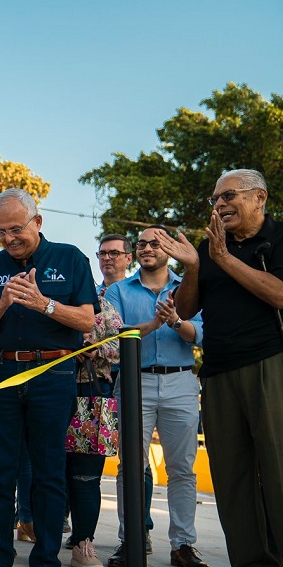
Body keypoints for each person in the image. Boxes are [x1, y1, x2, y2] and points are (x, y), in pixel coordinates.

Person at [161, 168, 283, 567]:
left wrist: (224, 260)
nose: (219, 205)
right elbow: (185, 310)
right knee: (232, 476)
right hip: (220, 370)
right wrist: (195, 266)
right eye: (215, 198)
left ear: (259, 197)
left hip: (274, 362)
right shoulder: (209, 250)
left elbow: (282, 295)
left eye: (229, 196)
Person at [0, 188, 97, 567]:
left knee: (48, 475)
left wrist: (44, 305)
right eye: (2, 231)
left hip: (53, 373)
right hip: (4, 372)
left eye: (17, 229)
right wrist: (5, 300)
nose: (9, 238)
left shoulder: (70, 258)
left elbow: (86, 319)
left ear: (37, 222)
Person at [104, 226, 207, 567]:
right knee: (131, 467)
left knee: (181, 468)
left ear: (168, 248)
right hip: (135, 381)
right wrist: (151, 323)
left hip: (180, 381)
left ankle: (183, 544)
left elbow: (202, 335)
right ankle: (131, 538)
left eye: (155, 243)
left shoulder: (188, 286)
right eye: (142, 244)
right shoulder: (118, 290)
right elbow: (113, 334)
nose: (148, 248)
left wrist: (176, 321)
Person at [96, 233, 155, 544]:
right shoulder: (89, 294)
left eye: (115, 253)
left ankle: (138, 529)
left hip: (132, 383)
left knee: (135, 457)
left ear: (128, 258)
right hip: (96, 384)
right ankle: (80, 532)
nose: (108, 258)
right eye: (103, 253)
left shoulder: (140, 291)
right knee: (86, 454)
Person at [66, 291, 121, 567]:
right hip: (48, 390)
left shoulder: (104, 305)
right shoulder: (48, 298)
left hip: (93, 392)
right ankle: (45, 542)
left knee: (86, 476)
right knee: (47, 472)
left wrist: (97, 350)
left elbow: (123, 343)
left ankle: (84, 543)